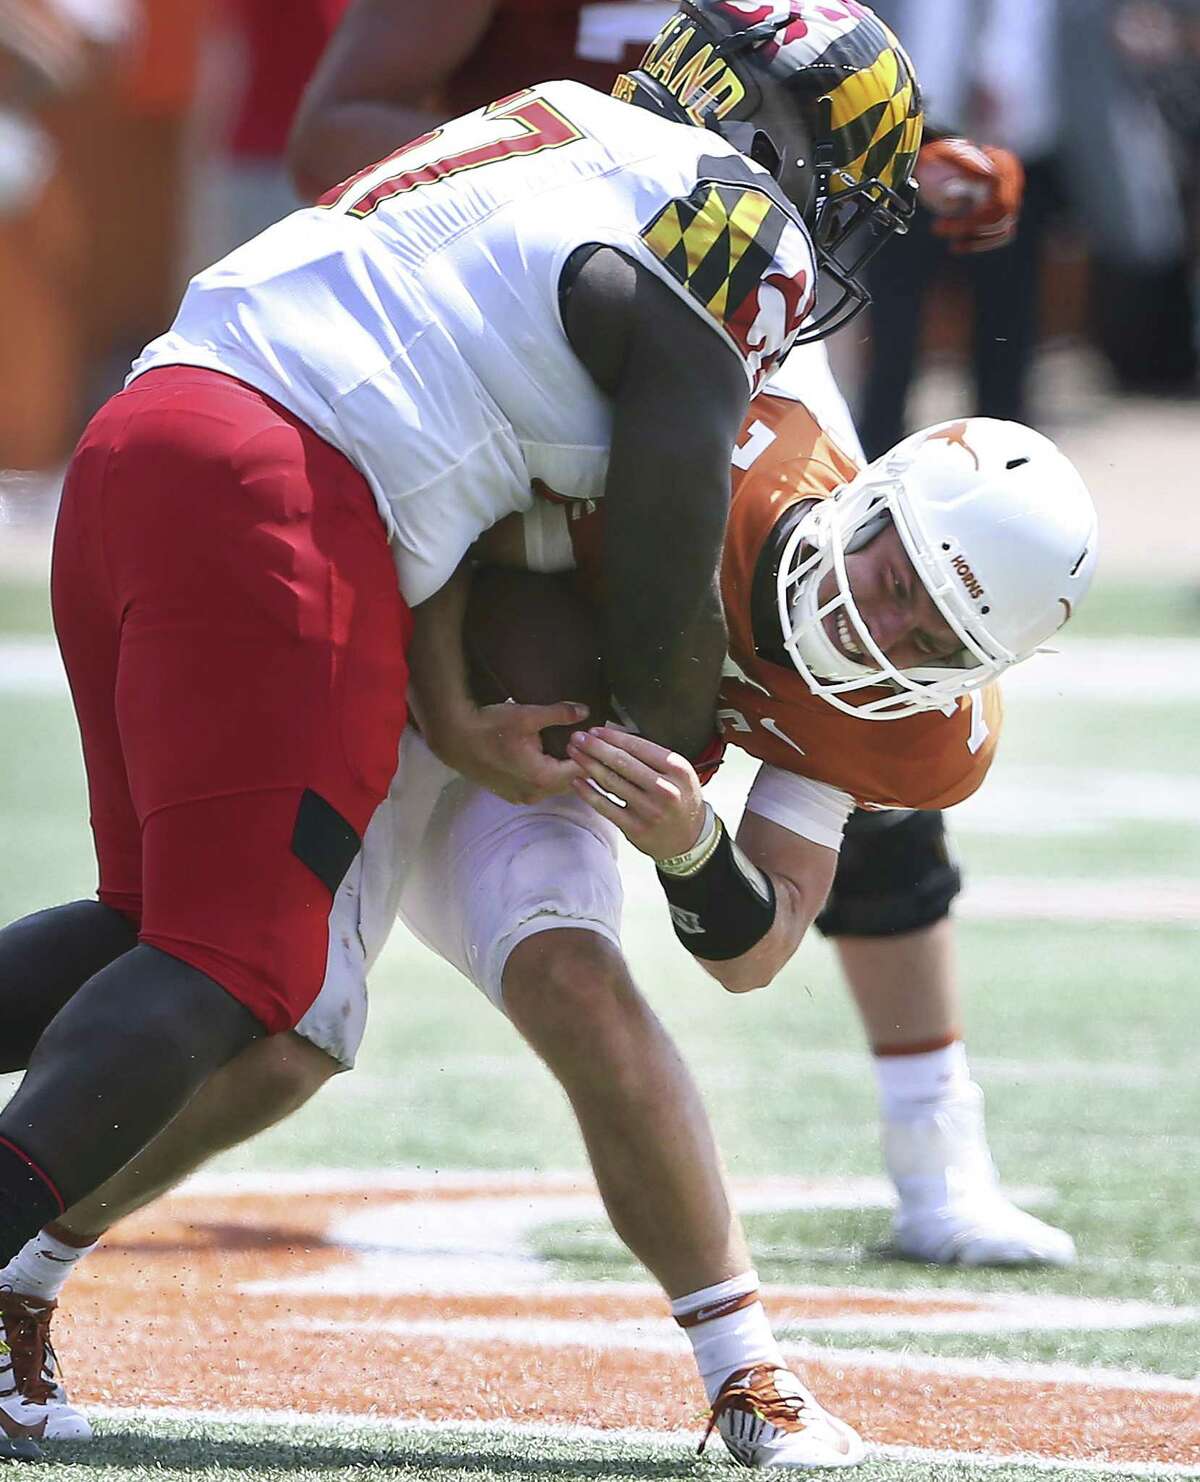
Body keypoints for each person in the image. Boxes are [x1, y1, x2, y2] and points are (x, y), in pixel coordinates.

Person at [0, 0, 924, 1454]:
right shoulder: (734, 231)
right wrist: (662, 750)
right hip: (287, 498)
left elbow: (460, 390)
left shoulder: (568, 125)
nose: (830, 229)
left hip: (164, 431)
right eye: (836, 176)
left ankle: (744, 1362)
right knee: (239, 968)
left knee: (159, 928)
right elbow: (660, 572)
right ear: (766, 131)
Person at [0, 393, 1097, 1465]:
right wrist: (458, 723)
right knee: (286, 1036)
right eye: (895, 580)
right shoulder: (714, 450)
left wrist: (689, 848)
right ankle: (23, 1276)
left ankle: (745, 1370)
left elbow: (757, 951)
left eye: (935, 637)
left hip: (548, 755)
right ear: (872, 503)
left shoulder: (909, 720)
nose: (883, 626)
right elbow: (436, 530)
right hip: (380, 673)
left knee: (578, 981)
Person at [287, 0, 1061, 1271]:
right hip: (523, 313)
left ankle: (939, 1145)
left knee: (871, 636)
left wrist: (900, 181)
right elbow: (337, 128)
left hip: (710, 303)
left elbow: (795, 142)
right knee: (282, 990)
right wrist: (571, 166)